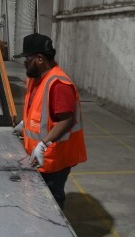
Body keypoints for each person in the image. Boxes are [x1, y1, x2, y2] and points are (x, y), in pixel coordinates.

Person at [13, 33, 87, 209]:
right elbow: (40, 110)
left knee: (51, 203)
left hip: (54, 159)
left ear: (40, 58)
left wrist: (43, 144)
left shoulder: (59, 84)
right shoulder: (37, 79)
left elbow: (67, 121)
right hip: (39, 158)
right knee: (38, 200)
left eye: (27, 58)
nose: (24, 62)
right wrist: (26, 123)